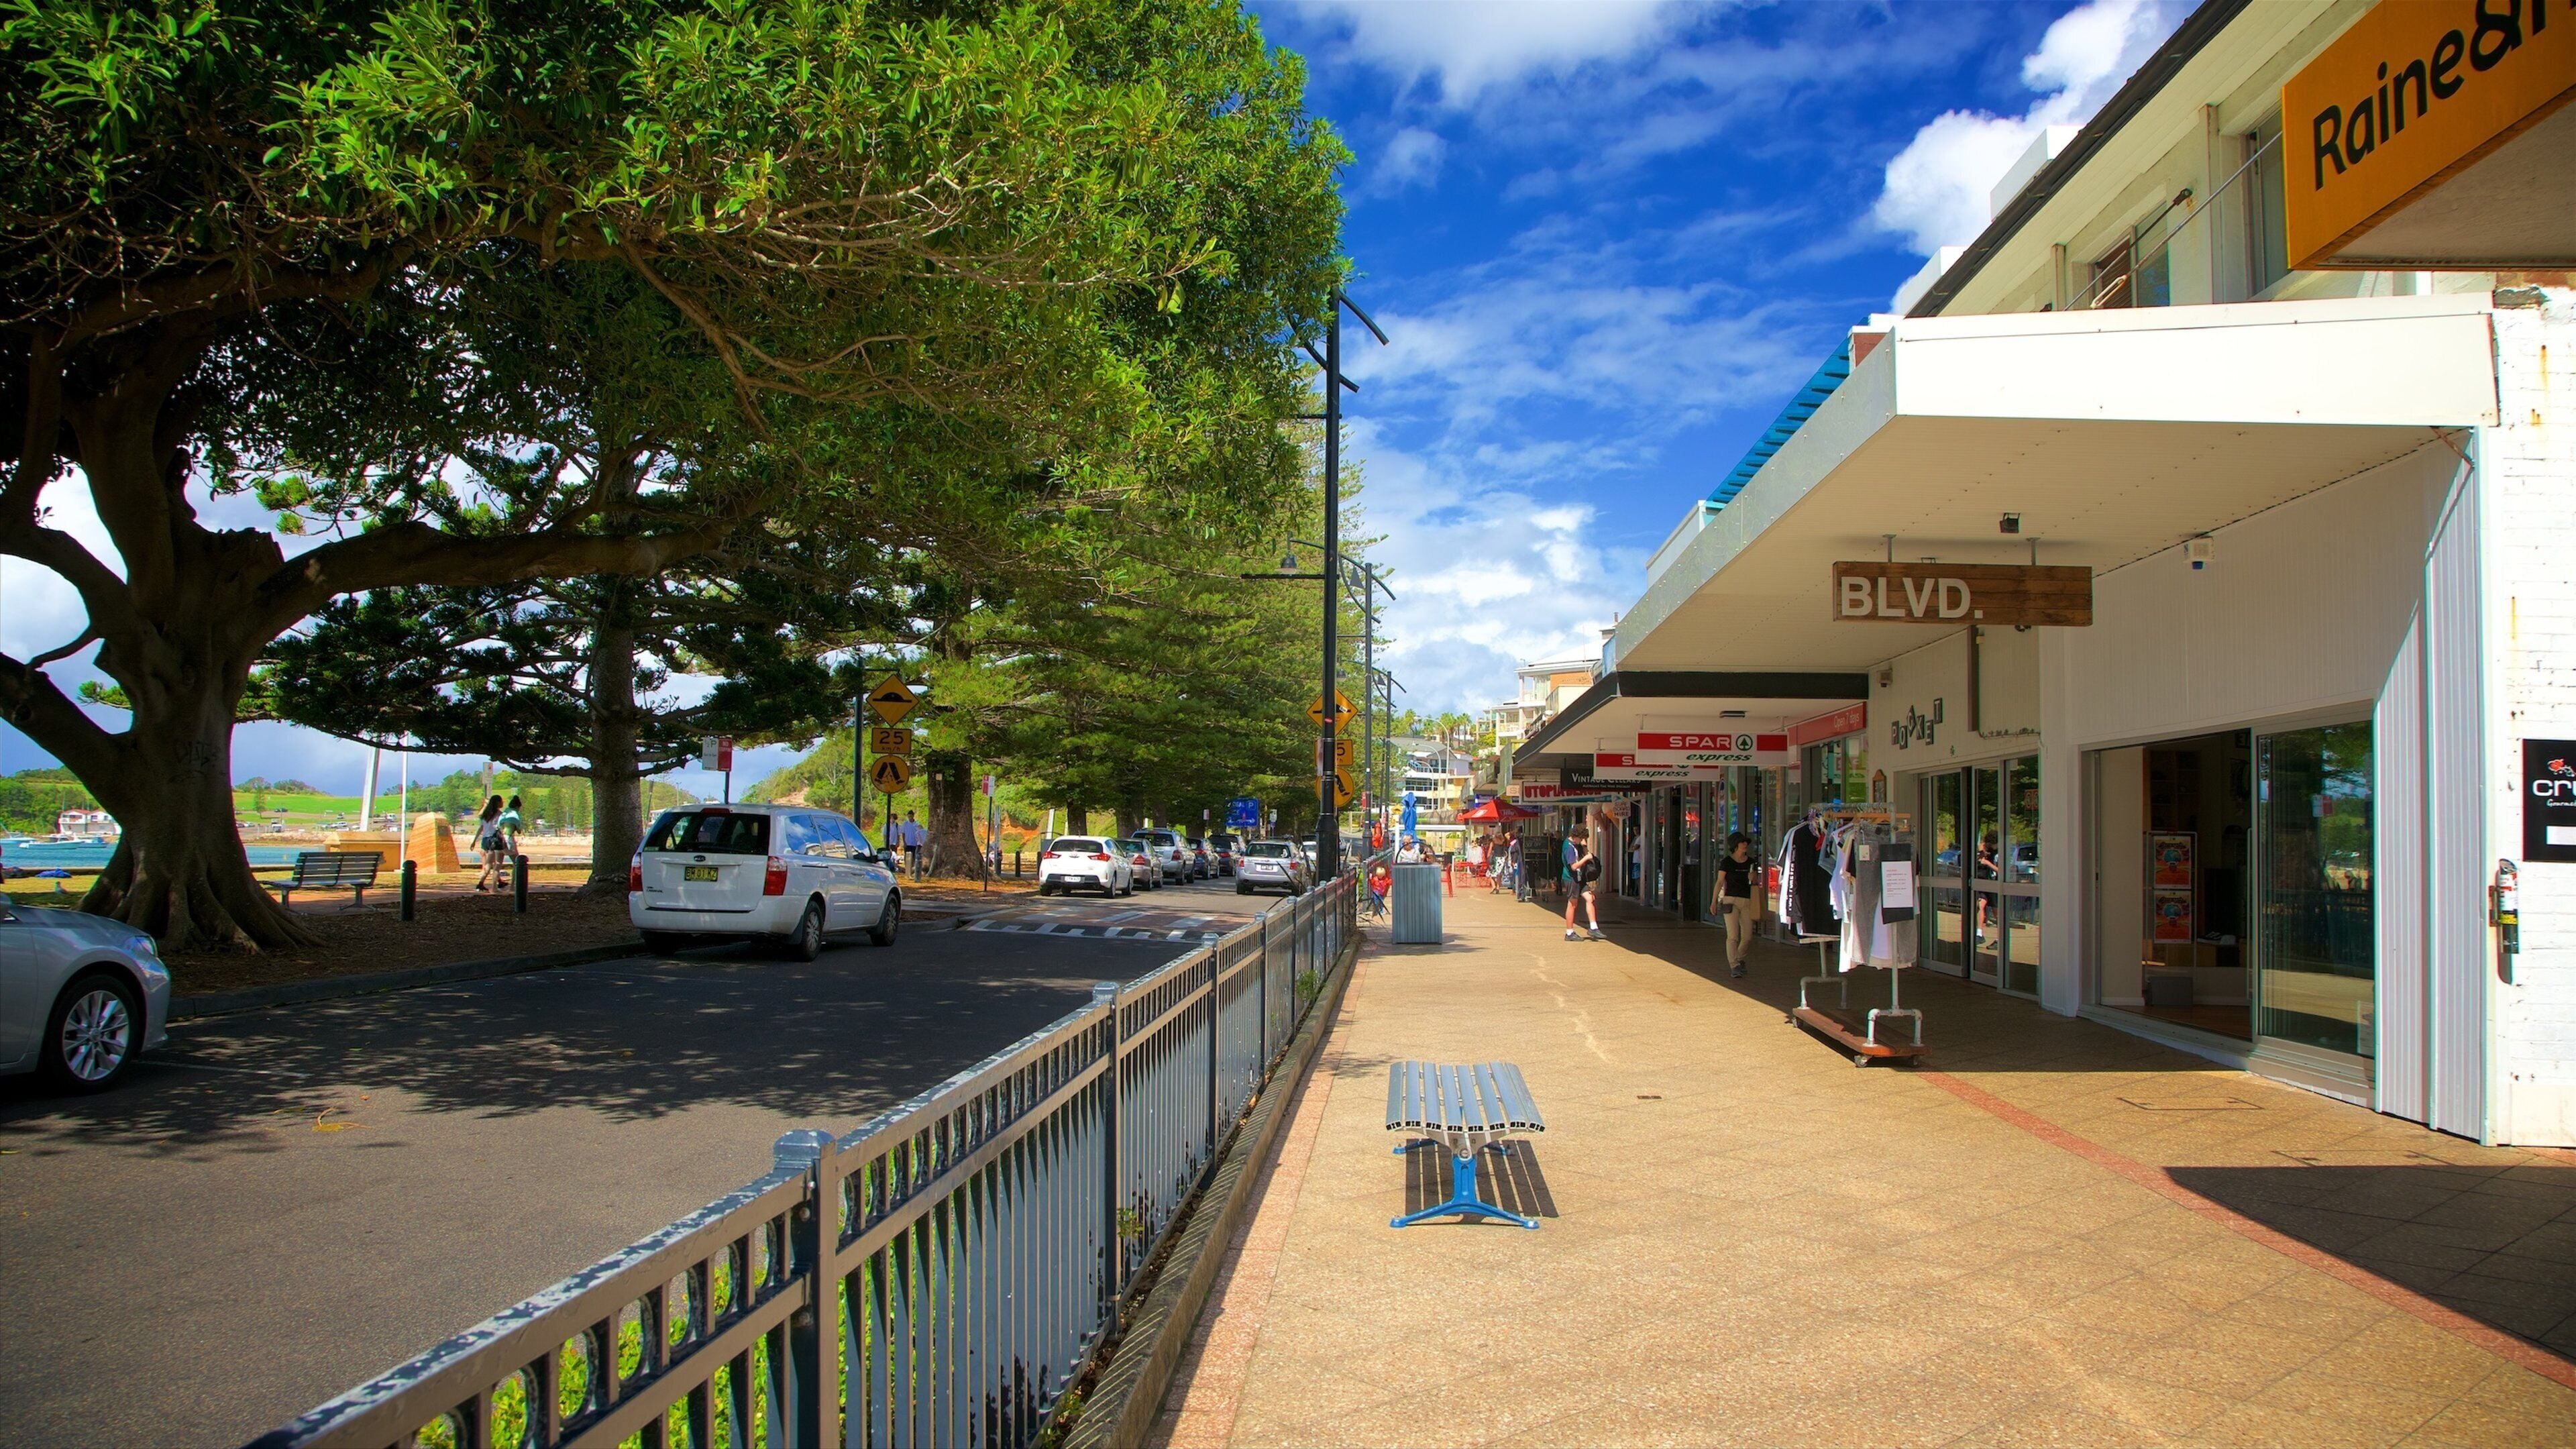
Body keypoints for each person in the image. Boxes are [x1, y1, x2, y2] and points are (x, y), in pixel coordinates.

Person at [1713, 832, 1760, 978]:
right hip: (1730, 901)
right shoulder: (1727, 862)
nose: (1745, 845)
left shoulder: (1751, 862)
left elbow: (1754, 883)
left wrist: (1753, 879)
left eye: (1746, 842)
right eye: (1742, 842)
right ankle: (1734, 965)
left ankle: (1739, 958)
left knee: (1747, 936)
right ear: (1735, 845)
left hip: (1747, 901)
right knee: (1733, 936)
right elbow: (1720, 882)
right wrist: (1714, 901)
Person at [1562, 824, 1604, 941]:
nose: (1581, 841)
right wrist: (1586, 859)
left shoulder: (1576, 845)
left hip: (1580, 878)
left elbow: (1585, 853)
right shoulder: (1569, 848)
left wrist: (1585, 848)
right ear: (1576, 837)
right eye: (1581, 838)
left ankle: (1594, 927)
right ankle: (1569, 932)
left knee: (1590, 898)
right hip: (1572, 878)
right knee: (1572, 904)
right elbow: (1574, 866)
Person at [472, 794, 507, 892]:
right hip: (495, 840)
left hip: (486, 840)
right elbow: (502, 829)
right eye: (501, 801)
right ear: (498, 803)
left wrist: (474, 841)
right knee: (498, 864)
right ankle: (495, 887)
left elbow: (481, 828)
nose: (502, 803)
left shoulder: (485, 815)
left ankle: (481, 883)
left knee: (488, 864)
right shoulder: (500, 815)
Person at [900, 811, 926, 879]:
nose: (910, 818)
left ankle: (913, 870)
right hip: (907, 843)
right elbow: (903, 833)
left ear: (913, 816)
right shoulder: (905, 824)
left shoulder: (917, 824)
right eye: (909, 817)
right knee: (907, 857)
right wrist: (904, 842)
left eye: (911, 816)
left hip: (915, 843)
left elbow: (921, 831)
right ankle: (907, 870)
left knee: (914, 857)